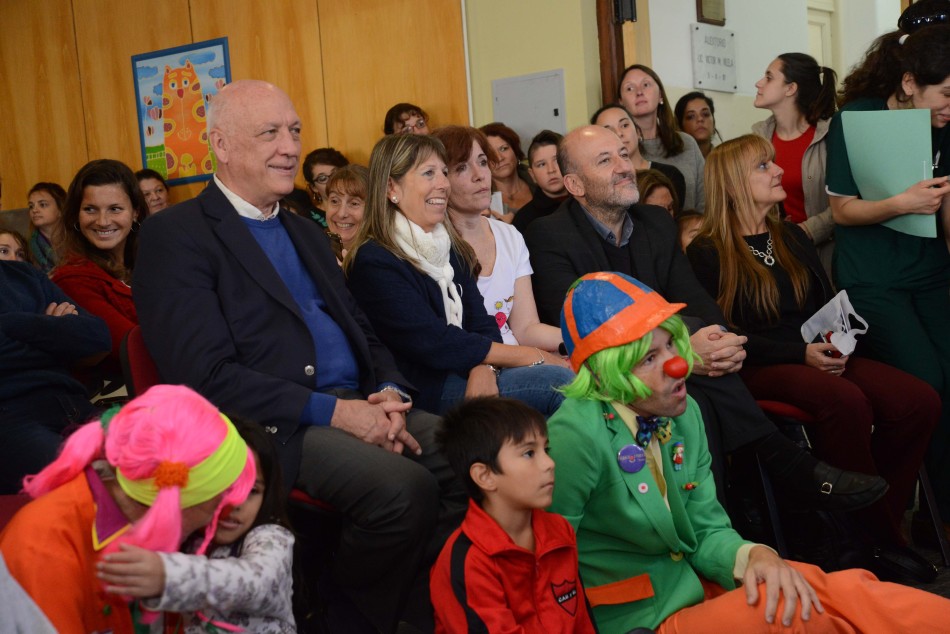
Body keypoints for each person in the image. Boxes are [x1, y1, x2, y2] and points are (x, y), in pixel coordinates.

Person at [133, 79, 465, 634]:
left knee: (476, 456)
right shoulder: (177, 235)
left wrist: (388, 392)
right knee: (404, 490)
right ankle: (342, 616)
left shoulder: (304, 231)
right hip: (271, 425)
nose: (289, 147)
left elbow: (364, 332)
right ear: (221, 144)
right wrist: (339, 413)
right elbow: (205, 376)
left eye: (294, 131)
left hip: (360, 402)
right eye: (270, 133)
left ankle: (411, 605)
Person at [548, 271, 950, 633]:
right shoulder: (575, 434)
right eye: (650, 358)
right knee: (794, 614)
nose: (677, 365)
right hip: (641, 620)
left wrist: (754, 555)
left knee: (842, 589)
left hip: (699, 587)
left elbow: (705, 529)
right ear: (605, 375)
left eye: (671, 344)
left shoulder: (685, 414)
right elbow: (546, 561)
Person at [525, 125, 887, 511]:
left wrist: (718, 338)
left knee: (701, 388)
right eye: (605, 160)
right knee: (695, 398)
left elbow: (694, 299)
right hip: (609, 365)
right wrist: (682, 348)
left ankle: (737, 510)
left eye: (624, 154)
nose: (624, 166)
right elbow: (589, 321)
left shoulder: (654, 222)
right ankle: (775, 470)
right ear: (575, 184)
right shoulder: (548, 234)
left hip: (668, 362)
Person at [687, 134, 940, 580]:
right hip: (760, 364)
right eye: (763, 166)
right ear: (732, 183)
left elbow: (825, 304)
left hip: (817, 354)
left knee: (918, 400)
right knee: (845, 401)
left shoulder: (790, 236)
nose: (778, 171)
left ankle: (870, 526)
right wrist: (800, 354)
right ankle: (873, 540)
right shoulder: (707, 251)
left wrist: (836, 343)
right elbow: (723, 333)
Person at [346, 132, 571, 417]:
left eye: (443, 172)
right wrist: (532, 355)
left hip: (465, 369)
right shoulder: (374, 260)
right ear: (392, 186)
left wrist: (484, 368)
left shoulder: (447, 245)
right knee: (558, 382)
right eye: (429, 173)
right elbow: (433, 342)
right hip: (423, 388)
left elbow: (483, 324)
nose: (443, 184)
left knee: (569, 387)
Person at [0, 384, 256, 633]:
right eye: (219, 497)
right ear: (174, 501)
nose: (225, 508)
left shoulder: (144, 525)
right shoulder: (44, 551)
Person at [826, 24, 950, 525]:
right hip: (873, 278)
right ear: (909, 82)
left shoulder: (944, 125)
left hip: (931, 270)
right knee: (927, 383)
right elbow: (842, 211)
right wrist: (904, 203)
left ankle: (937, 518)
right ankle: (886, 508)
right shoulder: (857, 120)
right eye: (945, 93)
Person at [97, 419, 296, 633]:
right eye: (224, 487)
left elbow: (258, 584)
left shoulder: (272, 536)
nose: (236, 503)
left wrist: (168, 576)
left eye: (252, 491)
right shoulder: (187, 533)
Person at [431, 397, 596, 634]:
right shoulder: (469, 561)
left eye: (546, 450)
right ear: (485, 476)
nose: (549, 463)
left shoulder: (559, 531)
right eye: (529, 453)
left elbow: (582, 623)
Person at [434, 125, 565, 354]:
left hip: (519, 358)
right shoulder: (434, 244)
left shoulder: (509, 235)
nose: (480, 175)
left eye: (483, 162)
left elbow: (526, 328)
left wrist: (586, 340)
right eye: (462, 167)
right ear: (441, 179)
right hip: (477, 362)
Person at [0, 259, 110, 493]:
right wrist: (54, 331)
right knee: (88, 481)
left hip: (75, 403)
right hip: (11, 417)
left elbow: (99, 337)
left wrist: (10, 325)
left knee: (155, 454)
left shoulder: (23, 273)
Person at [51, 159, 147, 383]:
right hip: (120, 395)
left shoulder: (151, 264)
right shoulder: (72, 280)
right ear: (76, 214)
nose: (103, 221)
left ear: (135, 212)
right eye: (90, 209)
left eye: (115, 209)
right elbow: (133, 348)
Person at [752, 52, 838, 276]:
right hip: (775, 255)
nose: (759, 83)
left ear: (790, 88)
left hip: (823, 257)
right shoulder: (759, 137)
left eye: (769, 77)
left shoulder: (829, 135)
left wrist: (805, 231)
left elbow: (848, 200)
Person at [618, 65, 705, 212]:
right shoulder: (620, 150)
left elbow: (705, 201)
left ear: (660, 95)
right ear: (621, 102)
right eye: (630, 88)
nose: (639, 92)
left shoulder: (687, 143)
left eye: (646, 85)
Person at [590, 104, 686, 207]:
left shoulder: (670, 175)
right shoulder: (600, 184)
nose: (619, 133)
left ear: (638, 131)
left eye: (624, 125)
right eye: (609, 131)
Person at [512, 130, 570, 234]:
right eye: (541, 164)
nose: (551, 170)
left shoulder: (588, 203)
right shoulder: (524, 219)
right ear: (532, 175)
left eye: (557, 160)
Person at [480, 122, 535, 217]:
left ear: (515, 151)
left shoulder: (538, 182)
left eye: (503, 149)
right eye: (490, 154)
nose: (499, 158)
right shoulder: (479, 198)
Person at [325, 164, 369, 260]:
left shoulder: (381, 259)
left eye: (354, 203)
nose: (341, 214)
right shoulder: (312, 248)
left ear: (373, 209)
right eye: (334, 201)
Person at [301, 147, 349, 226]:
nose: (331, 181)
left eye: (336, 173)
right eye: (322, 178)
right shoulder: (306, 220)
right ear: (313, 187)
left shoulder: (364, 207)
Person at [26, 181, 66, 273]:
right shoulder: (27, 247)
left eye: (42, 204)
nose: (34, 210)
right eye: (31, 206)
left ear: (60, 210)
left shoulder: (77, 241)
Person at [675, 91, 719, 158]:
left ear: (714, 122)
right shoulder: (673, 161)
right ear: (680, 126)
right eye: (691, 116)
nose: (700, 119)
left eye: (705, 114)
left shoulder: (724, 159)